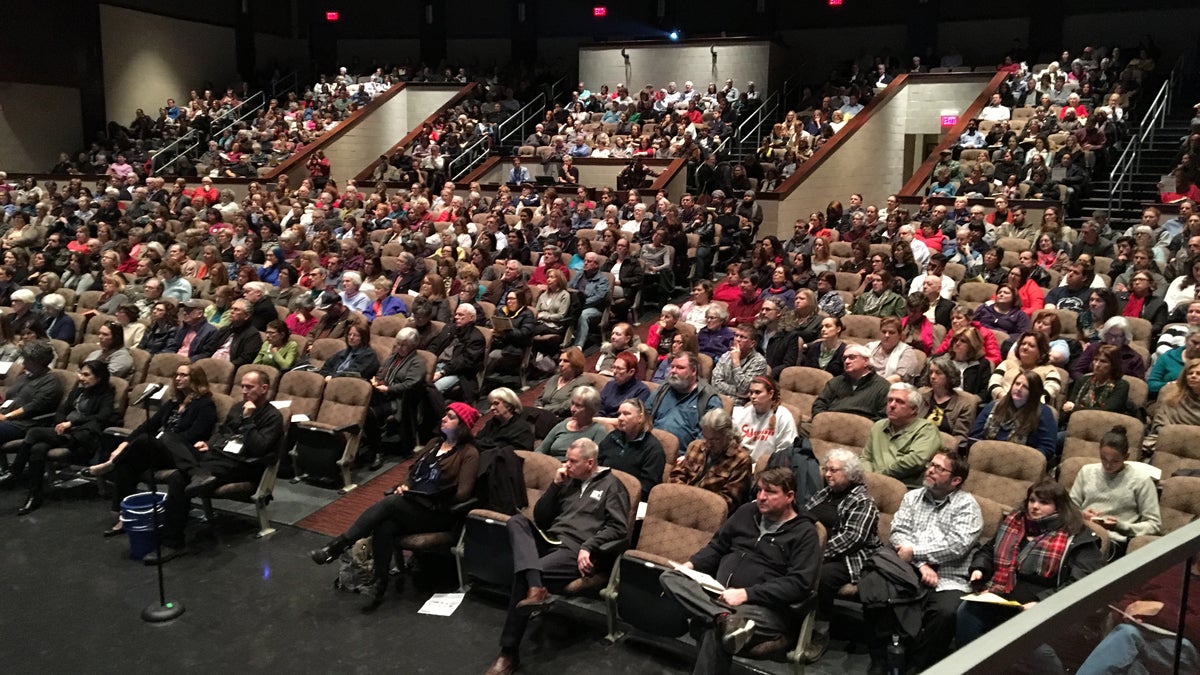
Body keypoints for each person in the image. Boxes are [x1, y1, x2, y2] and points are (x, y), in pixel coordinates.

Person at [309, 402, 480, 612]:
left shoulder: (469, 453)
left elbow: (463, 492)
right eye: (446, 414)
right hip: (413, 504)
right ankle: (380, 584)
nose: (444, 418)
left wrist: (433, 490)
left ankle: (337, 546)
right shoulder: (435, 442)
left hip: (438, 511)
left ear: (462, 425)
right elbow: (413, 469)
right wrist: (405, 485)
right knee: (385, 525)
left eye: (451, 417)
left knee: (391, 503)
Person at [483, 438, 630, 675]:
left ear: (590, 463)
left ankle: (508, 653)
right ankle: (536, 588)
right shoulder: (568, 482)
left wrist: (589, 546)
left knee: (524, 575)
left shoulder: (613, 486)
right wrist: (555, 485)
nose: (566, 465)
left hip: (575, 549)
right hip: (551, 538)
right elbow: (541, 518)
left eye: (572, 461)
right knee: (517, 520)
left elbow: (619, 528)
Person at [658, 467, 821, 675]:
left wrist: (746, 594)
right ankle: (722, 616)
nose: (761, 497)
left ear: (790, 496)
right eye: (759, 490)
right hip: (719, 596)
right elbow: (717, 546)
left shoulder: (804, 533)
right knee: (670, 576)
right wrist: (691, 566)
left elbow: (799, 584)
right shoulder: (747, 512)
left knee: (716, 631)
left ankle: (721, 619)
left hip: (764, 609)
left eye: (770, 492)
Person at [956, 480, 1104, 653]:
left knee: (1034, 649)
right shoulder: (1015, 522)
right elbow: (989, 550)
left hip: (1043, 608)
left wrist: (1042, 602)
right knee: (966, 611)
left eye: (1044, 502)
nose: (1034, 506)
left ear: (1059, 507)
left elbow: (1081, 584)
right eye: (1032, 500)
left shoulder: (1077, 537)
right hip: (1000, 596)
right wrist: (979, 569)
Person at [83, 363, 217, 546]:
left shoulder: (205, 404)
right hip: (161, 450)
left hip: (184, 453)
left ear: (195, 379)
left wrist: (163, 440)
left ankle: (111, 465)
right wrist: (124, 443)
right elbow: (149, 425)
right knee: (129, 461)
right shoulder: (173, 403)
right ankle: (123, 516)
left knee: (148, 440)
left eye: (183, 375)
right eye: (176, 374)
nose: (177, 378)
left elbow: (196, 434)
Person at [875, 450, 982, 672]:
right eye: (930, 464)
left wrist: (914, 551)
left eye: (939, 468)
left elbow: (956, 546)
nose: (930, 470)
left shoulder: (967, 506)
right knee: (880, 594)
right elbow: (897, 533)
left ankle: (919, 666)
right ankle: (883, 660)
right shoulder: (912, 497)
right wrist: (920, 564)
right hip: (908, 570)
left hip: (949, 576)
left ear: (955, 480)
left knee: (946, 614)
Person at [1, 361, 113, 515]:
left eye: (86, 375)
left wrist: (71, 423)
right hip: (62, 432)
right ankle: (34, 496)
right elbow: (61, 411)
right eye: (80, 373)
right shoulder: (77, 392)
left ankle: (15, 472)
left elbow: (103, 417)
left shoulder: (106, 394)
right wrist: (61, 423)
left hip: (82, 436)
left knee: (34, 433)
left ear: (99, 377)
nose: (81, 378)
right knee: (37, 448)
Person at [805, 449, 880, 621]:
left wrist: (816, 554)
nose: (827, 474)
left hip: (849, 558)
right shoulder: (824, 494)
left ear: (850, 473)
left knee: (820, 577)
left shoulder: (863, 501)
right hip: (814, 550)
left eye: (833, 470)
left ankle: (818, 626)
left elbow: (853, 538)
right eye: (826, 469)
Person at [1069, 426, 1160, 558]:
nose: (1108, 465)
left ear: (1126, 456)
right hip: (1082, 531)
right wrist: (1082, 515)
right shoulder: (1087, 471)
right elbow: (1070, 507)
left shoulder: (1141, 480)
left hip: (1113, 541)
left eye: (1115, 461)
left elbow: (1154, 525)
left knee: (1085, 556)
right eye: (1103, 459)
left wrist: (1120, 526)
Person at [860, 383, 944, 488]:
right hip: (871, 484)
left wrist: (879, 477)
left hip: (904, 487)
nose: (892, 405)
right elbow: (865, 458)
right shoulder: (878, 426)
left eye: (899, 402)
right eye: (890, 400)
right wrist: (869, 477)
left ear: (913, 409)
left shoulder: (926, 429)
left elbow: (915, 461)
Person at [669, 408, 753, 513]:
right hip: (681, 502)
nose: (708, 444)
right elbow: (676, 475)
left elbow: (728, 501)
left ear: (728, 436)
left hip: (708, 513)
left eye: (715, 440)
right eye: (705, 437)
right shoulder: (696, 446)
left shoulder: (741, 460)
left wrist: (694, 502)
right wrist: (683, 496)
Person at [972, 369, 1059, 459]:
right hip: (986, 457)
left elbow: (1047, 449)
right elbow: (975, 436)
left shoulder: (1044, 413)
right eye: (1017, 384)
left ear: (1034, 392)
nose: (1019, 388)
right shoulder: (994, 405)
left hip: (1021, 463)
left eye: (1025, 387)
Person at [648, 351, 723, 447]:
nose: (673, 371)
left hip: (682, 455)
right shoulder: (664, 388)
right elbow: (646, 414)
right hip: (651, 448)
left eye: (680, 367)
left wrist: (690, 453)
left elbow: (710, 434)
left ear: (693, 371)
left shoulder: (708, 397)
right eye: (672, 367)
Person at [597, 398, 665, 501]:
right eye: (619, 414)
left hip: (627, 499)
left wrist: (614, 491)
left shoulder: (653, 449)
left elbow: (647, 488)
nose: (620, 418)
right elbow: (597, 464)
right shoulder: (613, 437)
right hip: (600, 491)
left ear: (640, 418)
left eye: (626, 414)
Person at [810, 344, 891, 422]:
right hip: (828, 426)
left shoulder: (883, 386)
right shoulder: (835, 382)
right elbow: (818, 406)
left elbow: (883, 418)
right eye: (844, 358)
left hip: (861, 431)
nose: (847, 361)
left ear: (866, 361)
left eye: (852, 357)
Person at [731, 376, 798, 463]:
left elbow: (785, 451)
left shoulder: (783, 416)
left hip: (768, 466)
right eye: (751, 392)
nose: (753, 396)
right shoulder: (743, 413)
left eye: (757, 392)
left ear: (770, 394)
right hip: (742, 464)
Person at [920, 355, 980, 451]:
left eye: (938, 373)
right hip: (917, 444)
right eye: (930, 372)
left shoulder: (965, 402)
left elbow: (960, 438)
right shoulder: (921, 394)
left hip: (943, 449)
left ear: (949, 376)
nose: (932, 376)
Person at [988, 331, 1064, 404]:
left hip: (1034, 409)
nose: (1025, 347)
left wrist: (1030, 404)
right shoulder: (1007, 363)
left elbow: (1051, 390)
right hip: (1002, 402)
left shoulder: (1050, 370)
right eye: (1023, 344)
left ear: (1041, 351)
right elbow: (993, 382)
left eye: (1031, 345)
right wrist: (1003, 397)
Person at [536, 386, 608, 459]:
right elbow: (540, 450)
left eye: (578, 406)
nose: (572, 409)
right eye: (572, 403)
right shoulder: (562, 425)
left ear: (590, 409)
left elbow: (594, 460)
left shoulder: (598, 430)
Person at [711, 323, 769, 404]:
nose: (737, 339)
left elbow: (744, 389)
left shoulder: (759, 362)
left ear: (752, 344)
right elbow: (715, 382)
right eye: (736, 335)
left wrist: (736, 363)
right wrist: (736, 392)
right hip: (719, 399)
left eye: (743, 337)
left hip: (740, 405)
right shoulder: (726, 355)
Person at [475, 388, 535, 454]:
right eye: (491, 404)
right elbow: (476, 440)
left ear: (509, 405)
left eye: (496, 403)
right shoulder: (491, 423)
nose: (491, 408)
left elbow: (517, 454)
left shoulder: (522, 428)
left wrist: (486, 444)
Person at [867, 316, 922, 384]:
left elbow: (899, 378)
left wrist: (875, 387)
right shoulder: (870, 347)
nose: (886, 335)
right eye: (884, 332)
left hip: (892, 389)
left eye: (891, 332)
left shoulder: (907, 352)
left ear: (899, 335)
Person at [596, 352, 650, 419]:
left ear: (631, 372)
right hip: (601, 423)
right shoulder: (610, 385)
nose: (614, 372)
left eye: (619, 369)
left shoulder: (642, 390)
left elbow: (631, 419)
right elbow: (599, 408)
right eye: (614, 367)